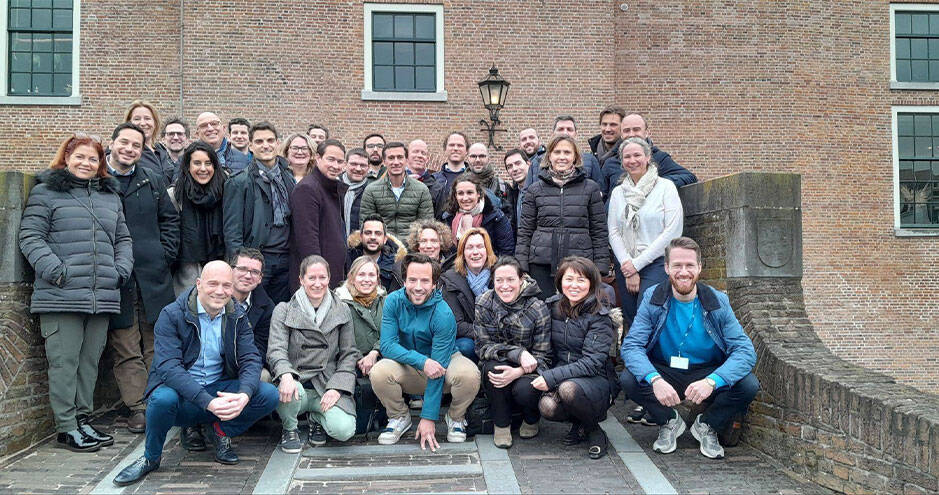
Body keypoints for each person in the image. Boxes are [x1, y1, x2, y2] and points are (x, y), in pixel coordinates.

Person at [112, 261, 279, 486]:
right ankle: (151, 458)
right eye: (213, 284)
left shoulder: (237, 315)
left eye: (226, 285)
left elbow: (251, 358)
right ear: (198, 284)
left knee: (268, 393)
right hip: (184, 395)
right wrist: (207, 402)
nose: (220, 291)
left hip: (218, 389)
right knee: (161, 399)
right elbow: (169, 368)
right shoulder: (172, 314)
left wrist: (244, 396)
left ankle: (220, 430)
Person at [19, 134, 134, 452]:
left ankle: (82, 420)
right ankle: (66, 427)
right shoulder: (47, 192)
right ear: (66, 158)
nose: (86, 163)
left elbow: (123, 239)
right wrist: (57, 271)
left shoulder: (110, 198)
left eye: (93, 159)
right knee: (64, 363)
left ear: (100, 165)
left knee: (89, 364)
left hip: (101, 296)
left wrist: (120, 270)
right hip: (62, 296)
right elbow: (30, 236)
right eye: (79, 157)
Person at [620, 237, 759, 460]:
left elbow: (745, 351)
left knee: (748, 385)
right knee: (629, 379)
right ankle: (669, 421)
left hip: (707, 371)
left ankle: (707, 425)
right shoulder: (652, 297)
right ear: (666, 268)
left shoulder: (717, 301)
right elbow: (632, 346)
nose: (683, 272)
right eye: (677, 265)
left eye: (689, 265)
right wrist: (654, 379)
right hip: (666, 369)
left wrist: (713, 381)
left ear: (699, 268)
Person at [107, 122, 179, 434]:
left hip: (152, 274)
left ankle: (157, 401)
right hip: (115, 277)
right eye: (124, 143)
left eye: (136, 145)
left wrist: (164, 255)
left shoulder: (152, 179)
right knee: (125, 344)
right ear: (111, 143)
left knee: (155, 342)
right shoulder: (97, 181)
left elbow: (170, 219)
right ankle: (137, 407)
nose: (130, 149)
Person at [369, 254, 480, 449]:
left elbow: (437, 369)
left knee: (469, 375)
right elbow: (386, 345)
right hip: (408, 363)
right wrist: (422, 361)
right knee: (379, 371)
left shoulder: (443, 313)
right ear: (404, 281)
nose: (418, 287)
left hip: (443, 362)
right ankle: (399, 417)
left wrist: (428, 418)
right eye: (412, 280)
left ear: (435, 284)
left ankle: (455, 417)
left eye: (425, 281)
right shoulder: (393, 301)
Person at [268, 255, 359, 452]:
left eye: (322, 278)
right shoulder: (283, 310)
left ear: (329, 279)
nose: (317, 284)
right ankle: (289, 428)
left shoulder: (342, 310)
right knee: (288, 390)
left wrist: (337, 387)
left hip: (326, 384)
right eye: (312, 278)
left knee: (344, 430)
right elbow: (276, 350)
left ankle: (316, 418)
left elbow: (349, 354)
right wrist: (285, 375)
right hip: (296, 383)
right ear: (301, 280)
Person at [532, 257, 618, 460]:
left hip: (596, 379)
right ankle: (579, 424)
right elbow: (543, 347)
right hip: (563, 374)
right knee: (547, 406)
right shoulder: (551, 308)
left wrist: (551, 378)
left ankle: (595, 431)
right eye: (569, 279)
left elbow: (592, 363)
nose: (574, 285)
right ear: (560, 281)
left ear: (591, 284)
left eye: (581, 280)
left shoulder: (600, 316)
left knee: (567, 389)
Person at [515, 135, 609, 298]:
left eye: (567, 152)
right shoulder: (535, 189)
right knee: (543, 313)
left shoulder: (591, 188)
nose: (562, 157)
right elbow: (525, 231)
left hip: (579, 264)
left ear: (575, 157)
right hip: (541, 264)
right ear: (549, 156)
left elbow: (599, 230)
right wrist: (521, 265)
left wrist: (600, 266)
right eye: (557, 152)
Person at [474, 256, 551, 448]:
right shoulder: (484, 302)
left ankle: (531, 419)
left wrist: (518, 371)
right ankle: (501, 425)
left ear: (521, 279)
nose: (504, 286)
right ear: (493, 281)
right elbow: (483, 346)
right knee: (494, 371)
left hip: (530, 368)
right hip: (499, 360)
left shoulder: (537, 307)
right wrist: (516, 354)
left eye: (510, 280)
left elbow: (544, 356)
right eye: (499, 280)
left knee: (525, 389)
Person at [608, 137, 683, 326]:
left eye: (637, 155)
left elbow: (672, 232)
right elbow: (614, 231)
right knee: (631, 317)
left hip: (656, 262)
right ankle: (633, 355)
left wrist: (637, 265)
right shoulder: (618, 192)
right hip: (625, 262)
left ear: (648, 157)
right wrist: (627, 264)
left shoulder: (665, 187)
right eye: (627, 157)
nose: (632, 160)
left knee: (648, 314)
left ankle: (653, 356)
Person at [223, 122, 296, 304]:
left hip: (286, 259)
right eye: (260, 141)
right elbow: (232, 230)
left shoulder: (289, 177)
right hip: (257, 259)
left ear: (277, 143)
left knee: (279, 312)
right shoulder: (239, 182)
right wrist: (240, 266)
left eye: (270, 140)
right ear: (251, 145)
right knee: (253, 311)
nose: (266, 145)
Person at [335, 256, 388, 434]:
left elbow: (392, 332)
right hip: (348, 358)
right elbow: (337, 337)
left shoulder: (385, 301)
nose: (367, 279)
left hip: (380, 356)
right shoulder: (339, 302)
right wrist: (360, 357)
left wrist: (374, 353)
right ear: (352, 277)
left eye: (371, 275)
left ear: (377, 278)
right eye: (361, 274)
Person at [290, 139, 349, 289]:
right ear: (318, 158)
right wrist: (319, 277)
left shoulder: (330, 188)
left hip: (331, 272)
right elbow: (308, 240)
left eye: (340, 161)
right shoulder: (308, 189)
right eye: (331, 159)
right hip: (317, 280)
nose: (335, 166)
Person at [169, 141, 227, 295]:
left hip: (220, 268)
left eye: (208, 163)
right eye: (197, 163)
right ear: (188, 166)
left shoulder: (226, 192)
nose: (203, 168)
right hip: (185, 272)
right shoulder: (175, 195)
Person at [438, 227, 498, 362]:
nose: (475, 252)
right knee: (465, 347)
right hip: (469, 337)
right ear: (462, 253)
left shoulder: (500, 275)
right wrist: (488, 333)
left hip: (499, 334)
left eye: (480, 247)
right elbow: (456, 325)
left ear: (487, 251)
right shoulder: (450, 279)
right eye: (470, 247)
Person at [359, 141, 434, 239]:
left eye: (400, 157)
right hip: (382, 248)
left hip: (411, 249)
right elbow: (366, 226)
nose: (396, 162)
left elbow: (426, 226)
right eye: (391, 158)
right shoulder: (371, 190)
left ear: (406, 160)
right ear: (384, 161)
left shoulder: (422, 190)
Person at [523, 116, 603, 193]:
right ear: (553, 134)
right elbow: (527, 194)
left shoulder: (590, 160)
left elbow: (599, 193)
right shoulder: (537, 162)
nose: (565, 133)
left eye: (569, 129)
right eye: (560, 129)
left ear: (576, 134)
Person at [617, 113, 697, 188]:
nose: (631, 134)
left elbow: (689, 177)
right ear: (621, 135)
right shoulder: (609, 163)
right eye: (626, 130)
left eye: (636, 129)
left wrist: (654, 182)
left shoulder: (659, 158)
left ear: (646, 133)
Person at [441, 174, 514, 255]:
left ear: (478, 193)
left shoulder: (496, 218)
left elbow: (507, 252)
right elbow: (447, 252)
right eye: (460, 193)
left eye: (470, 193)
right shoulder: (448, 218)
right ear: (455, 196)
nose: (465, 198)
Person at [347, 214, 406, 292]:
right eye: (368, 233)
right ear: (361, 236)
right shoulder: (347, 260)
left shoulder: (396, 266)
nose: (373, 237)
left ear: (385, 239)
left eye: (378, 233)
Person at [125, 100, 175, 184]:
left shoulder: (161, 149)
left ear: (155, 123)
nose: (143, 123)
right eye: (137, 119)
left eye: (147, 118)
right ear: (129, 123)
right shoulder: (126, 151)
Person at [465, 142, 513, 221]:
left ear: (489, 159)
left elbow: (510, 220)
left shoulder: (502, 187)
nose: (477, 160)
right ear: (468, 159)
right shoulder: (458, 186)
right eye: (473, 156)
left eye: (482, 156)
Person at [587, 106, 626, 197]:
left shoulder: (627, 158)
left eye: (613, 125)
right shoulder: (591, 155)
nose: (607, 129)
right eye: (604, 124)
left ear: (623, 127)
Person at [407, 139, 448, 216]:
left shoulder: (437, 186)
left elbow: (438, 217)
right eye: (415, 151)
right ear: (406, 156)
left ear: (427, 158)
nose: (419, 156)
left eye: (423, 153)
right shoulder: (394, 182)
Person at [341, 148, 374, 238]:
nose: (358, 169)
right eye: (354, 164)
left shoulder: (373, 190)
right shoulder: (332, 186)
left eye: (363, 165)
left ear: (369, 167)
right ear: (345, 164)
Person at [502, 149, 530, 235]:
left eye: (518, 163)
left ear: (528, 164)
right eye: (509, 166)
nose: (514, 169)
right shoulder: (513, 194)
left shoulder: (541, 191)